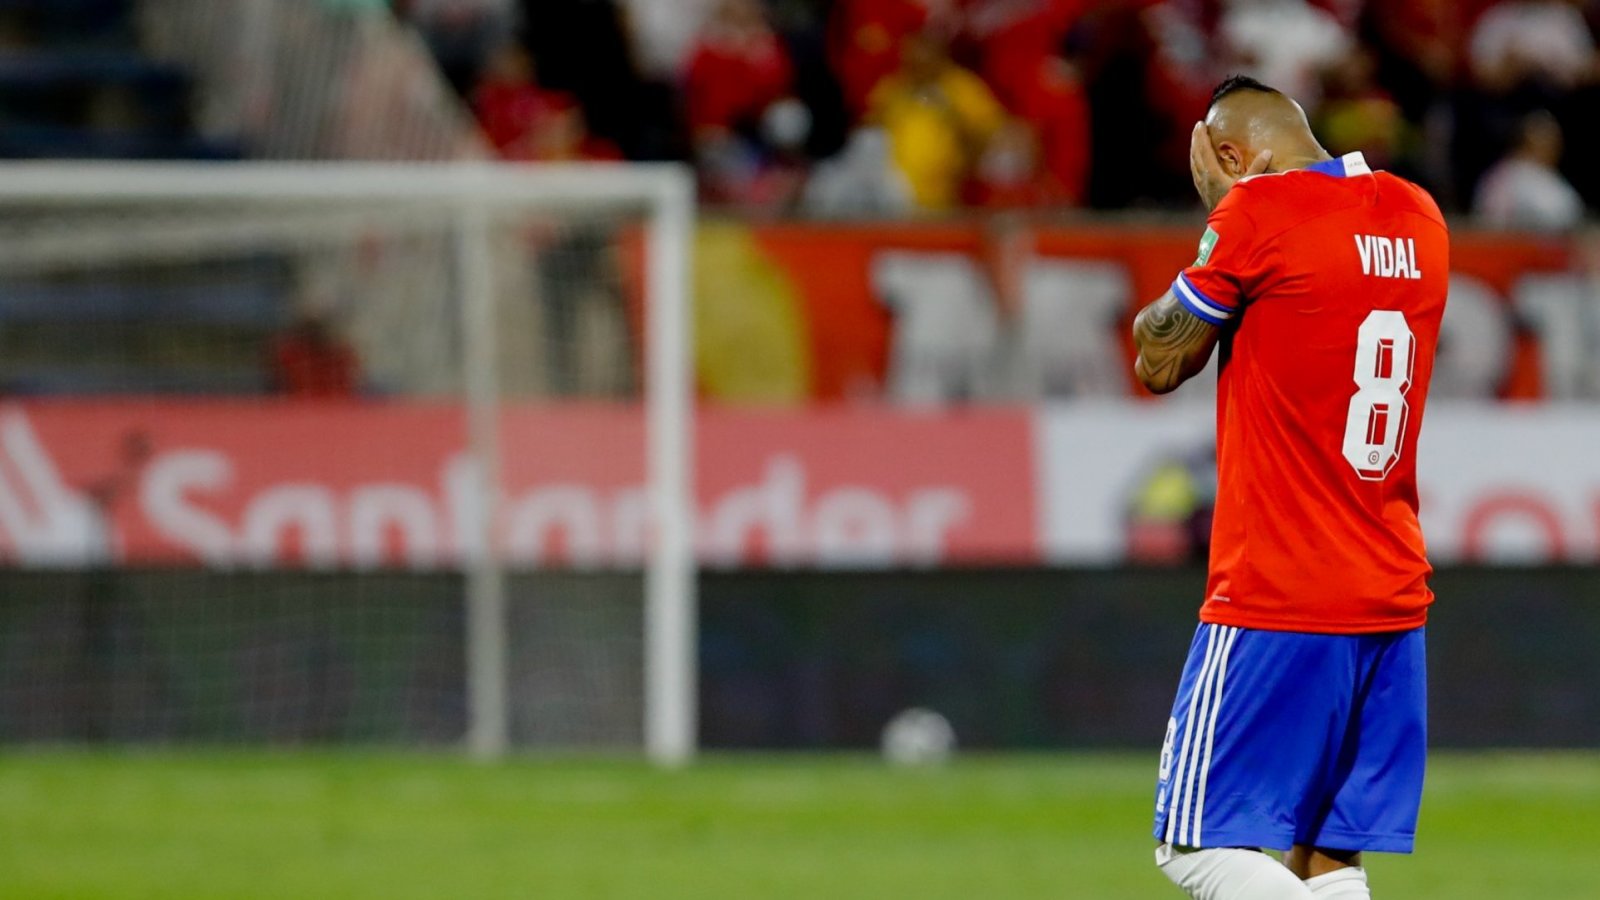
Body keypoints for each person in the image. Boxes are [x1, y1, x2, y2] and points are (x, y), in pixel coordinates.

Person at [1132, 76, 1449, 899]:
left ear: (1230, 155)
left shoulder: (1256, 211)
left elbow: (1158, 360)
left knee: (1192, 846)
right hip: (1391, 593)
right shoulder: (1419, 214)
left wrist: (1220, 214)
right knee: (1327, 855)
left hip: (1278, 589)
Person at [1474, 110, 1585, 232]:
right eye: (1543, 138)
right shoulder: (1502, 178)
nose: (1551, 147)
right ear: (1523, 141)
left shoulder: (1551, 178)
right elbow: (1490, 225)